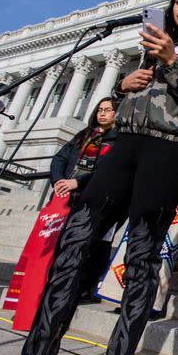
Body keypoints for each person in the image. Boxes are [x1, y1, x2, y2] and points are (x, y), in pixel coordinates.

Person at [22, 0, 178, 355]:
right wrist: (123, 87)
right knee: (75, 240)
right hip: (125, 146)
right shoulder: (155, 46)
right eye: (177, 1)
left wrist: (173, 62)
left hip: (171, 150)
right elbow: (134, 100)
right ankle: (39, 350)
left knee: (140, 254)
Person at [49, 97, 120, 299]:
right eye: (100, 110)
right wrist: (58, 181)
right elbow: (60, 158)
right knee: (62, 241)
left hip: (95, 196)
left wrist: (78, 182)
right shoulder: (84, 134)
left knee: (91, 244)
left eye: (108, 110)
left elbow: (107, 169)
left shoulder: (118, 139)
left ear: (116, 113)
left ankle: (85, 287)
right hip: (67, 194)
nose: (102, 113)